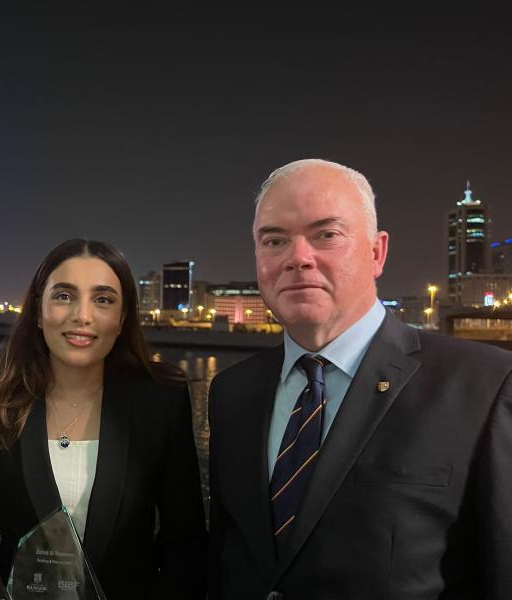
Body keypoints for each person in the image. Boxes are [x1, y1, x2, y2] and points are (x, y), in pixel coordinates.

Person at [207, 158, 512, 599]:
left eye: (325, 235)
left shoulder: (482, 386)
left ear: (376, 253)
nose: (298, 258)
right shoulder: (232, 392)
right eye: (274, 240)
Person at [0, 239, 207, 599]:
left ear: (122, 319)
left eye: (103, 300)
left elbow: (186, 545)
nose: (82, 315)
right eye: (64, 296)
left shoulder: (160, 403)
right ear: (38, 311)